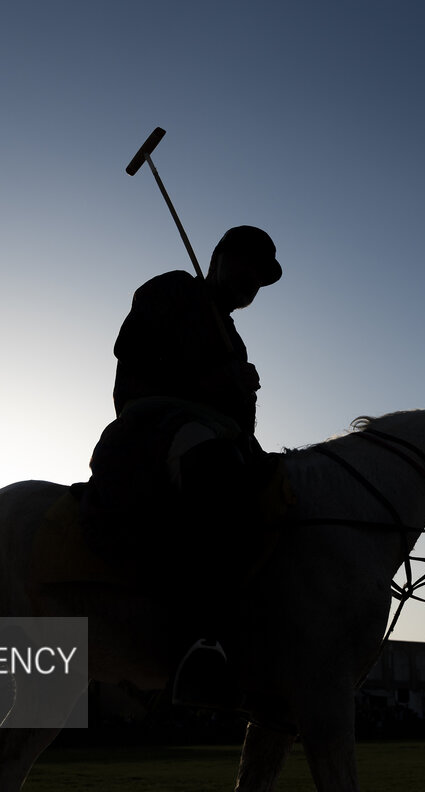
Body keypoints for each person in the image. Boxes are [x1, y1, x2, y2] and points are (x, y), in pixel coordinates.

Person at [81, 225, 282, 706]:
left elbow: (243, 425)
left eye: (259, 277)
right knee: (214, 472)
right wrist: (212, 378)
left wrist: (241, 389)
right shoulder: (172, 289)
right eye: (243, 265)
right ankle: (200, 640)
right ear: (215, 258)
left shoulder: (234, 341)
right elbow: (132, 351)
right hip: (154, 422)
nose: (249, 280)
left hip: (215, 432)